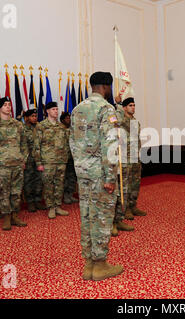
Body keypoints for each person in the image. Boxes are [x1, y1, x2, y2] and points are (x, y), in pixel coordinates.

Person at [70, 71, 123, 281]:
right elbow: (110, 145)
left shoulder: (77, 109)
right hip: (101, 174)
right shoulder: (106, 109)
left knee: (86, 216)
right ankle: (100, 265)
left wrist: (80, 166)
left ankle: (89, 264)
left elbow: (72, 143)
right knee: (101, 217)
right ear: (106, 87)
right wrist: (110, 177)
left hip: (83, 172)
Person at [0, 96, 28, 230]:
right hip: (2, 165)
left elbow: (24, 144)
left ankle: (15, 215)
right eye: (5, 105)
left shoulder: (18, 124)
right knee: (3, 193)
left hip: (17, 164)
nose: (8, 107)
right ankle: (7, 217)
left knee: (16, 192)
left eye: (9, 104)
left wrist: (23, 160)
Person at [34, 102, 70, 219]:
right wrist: (38, 163)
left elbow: (66, 144)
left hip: (61, 161)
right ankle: (50, 207)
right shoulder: (41, 126)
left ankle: (58, 206)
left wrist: (66, 158)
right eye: (53, 109)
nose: (56, 111)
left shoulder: (62, 127)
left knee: (59, 184)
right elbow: (36, 146)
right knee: (48, 185)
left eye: (56, 109)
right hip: (47, 161)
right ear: (47, 111)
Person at [110, 96, 134, 237]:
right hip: (112, 159)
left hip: (124, 160)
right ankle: (112, 222)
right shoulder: (110, 119)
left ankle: (119, 219)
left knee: (123, 191)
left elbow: (124, 123)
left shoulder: (124, 120)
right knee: (113, 193)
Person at [23, 109, 45, 212]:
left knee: (39, 180)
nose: (34, 118)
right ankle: (30, 202)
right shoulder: (22, 129)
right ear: (26, 118)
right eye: (32, 116)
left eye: (36, 116)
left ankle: (37, 200)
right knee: (28, 181)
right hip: (28, 159)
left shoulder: (40, 127)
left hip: (39, 158)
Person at [60, 112, 78, 205]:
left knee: (72, 178)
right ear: (62, 120)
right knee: (65, 178)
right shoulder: (60, 129)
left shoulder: (73, 130)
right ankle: (65, 196)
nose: (69, 120)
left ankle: (70, 194)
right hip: (63, 158)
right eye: (67, 118)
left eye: (69, 118)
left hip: (73, 158)